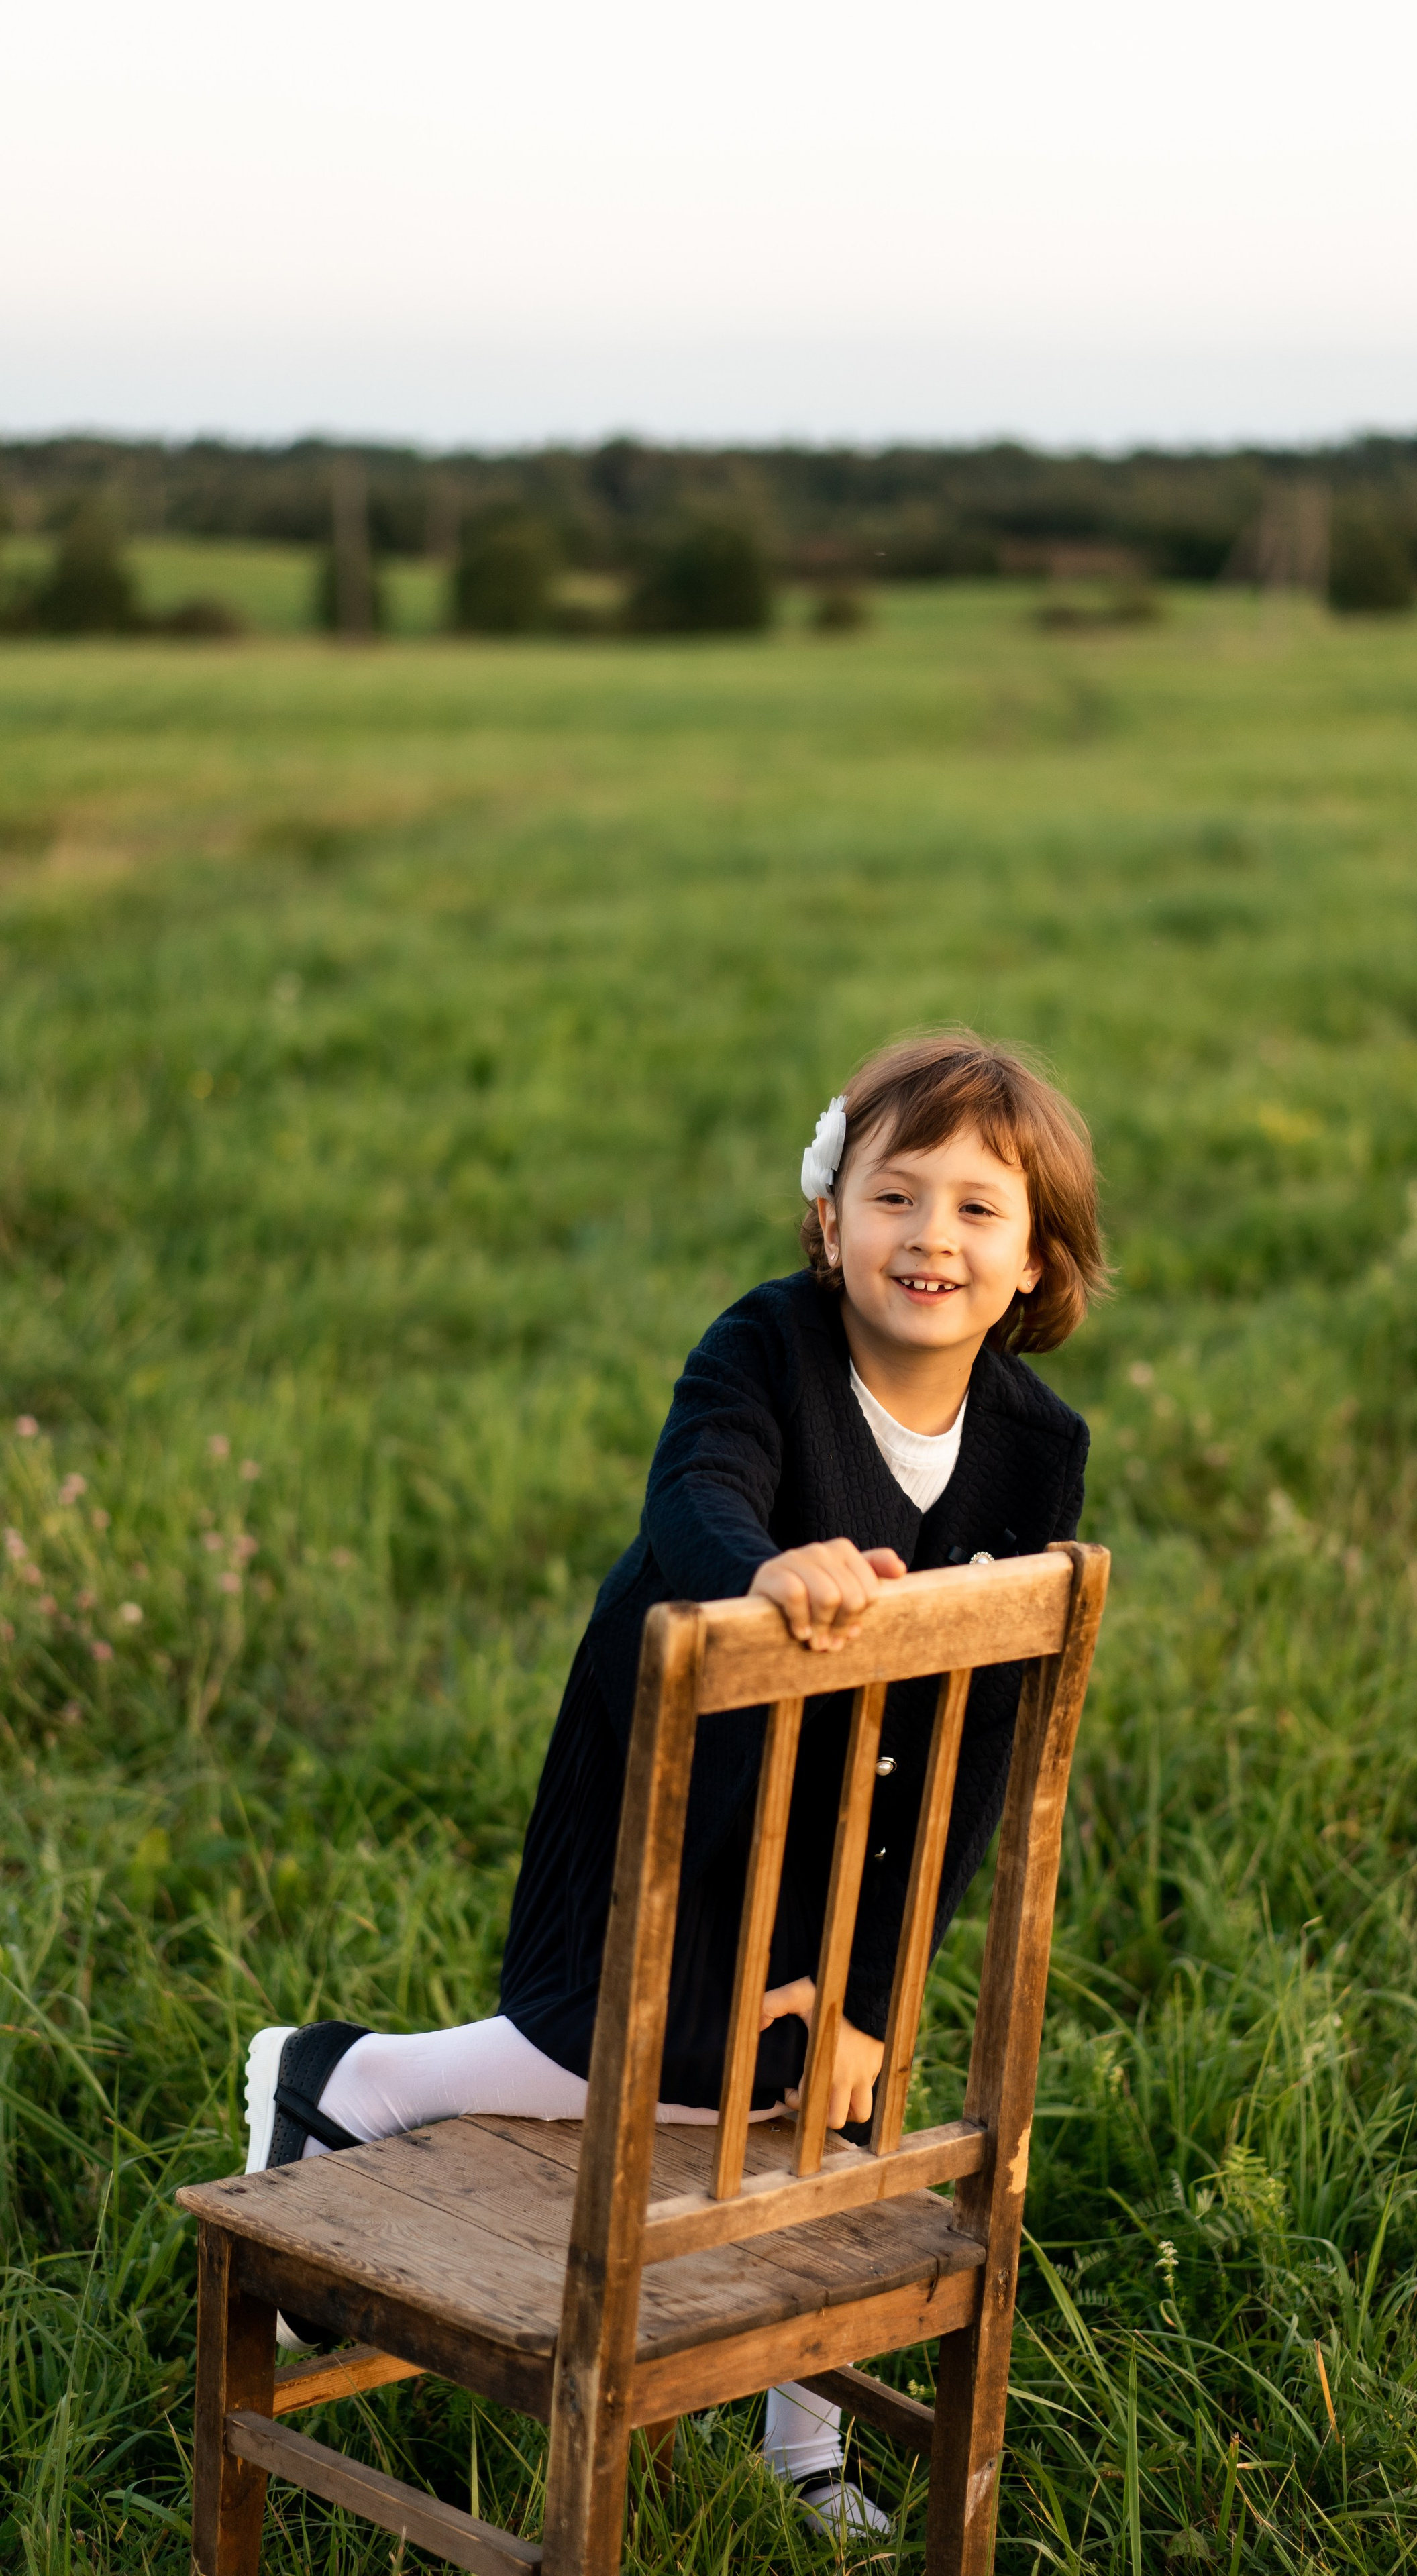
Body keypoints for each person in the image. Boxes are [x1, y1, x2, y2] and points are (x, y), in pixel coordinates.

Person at [242, 1030, 1105, 2543]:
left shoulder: (1036, 1447)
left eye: (979, 1211)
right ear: (828, 1221)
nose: (931, 1239)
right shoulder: (764, 1349)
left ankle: (802, 2443)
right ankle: (350, 2077)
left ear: (1035, 1263)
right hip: (684, 1766)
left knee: (839, 2075)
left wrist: (873, 1973)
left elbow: (983, 1730)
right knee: (633, 2062)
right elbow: (693, 1490)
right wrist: (769, 1569)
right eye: (895, 1197)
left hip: (874, 1811)